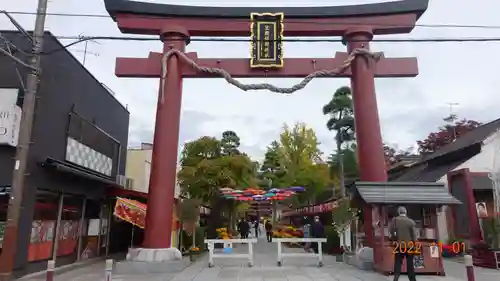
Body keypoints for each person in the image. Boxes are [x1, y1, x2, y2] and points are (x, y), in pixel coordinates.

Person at [390, 206, 417, 281]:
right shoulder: (411, 222)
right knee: (410, 264)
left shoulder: (394, 221)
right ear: (406, 212)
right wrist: (415, 244)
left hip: (398, 245)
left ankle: (396, 278)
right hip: (409, 246)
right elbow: (414, 235)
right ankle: (412, 279)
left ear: (398, 212)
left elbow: (391, 231)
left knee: (398, 263)